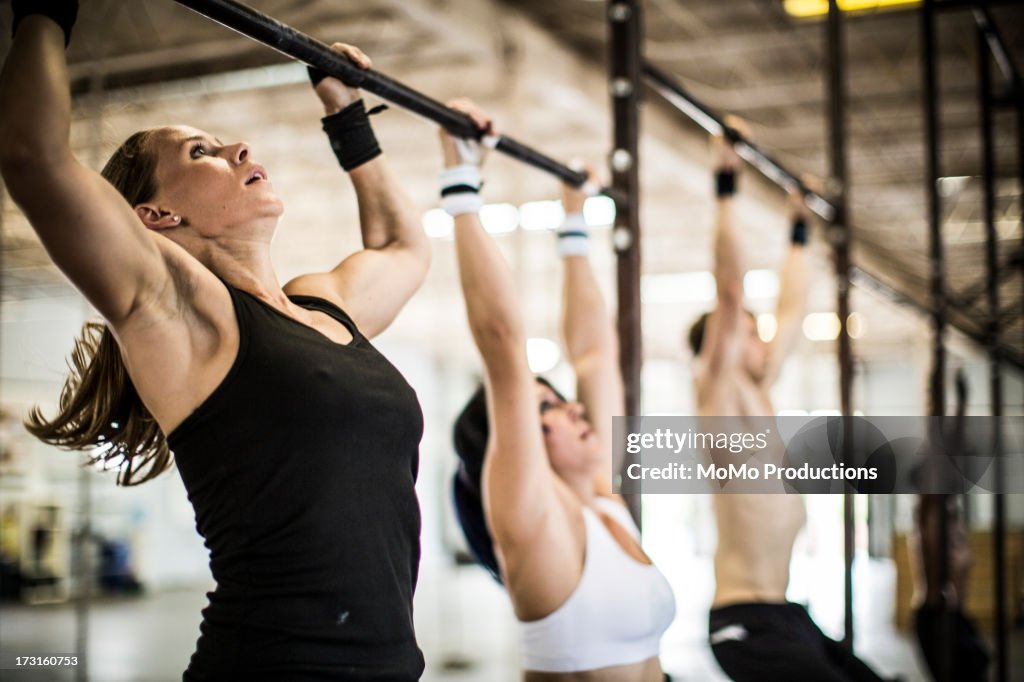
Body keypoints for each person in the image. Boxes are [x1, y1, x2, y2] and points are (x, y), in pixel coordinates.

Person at [1, 3, 429, 679]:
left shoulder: (325, 305)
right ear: (157, 216)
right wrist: (43, 16)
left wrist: (345, 116)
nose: (241, 149)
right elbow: (33, 158)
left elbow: (402, 247)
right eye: (201, 152)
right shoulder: (179, 311)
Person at [443, 100, 676, 681]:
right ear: (518, 438)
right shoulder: (530, 519)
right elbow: (502, 344)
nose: (575, 406)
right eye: (546, 405)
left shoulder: (602, 499)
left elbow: (596, 356)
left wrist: (574, 222)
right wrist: (462, 184)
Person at [688, 120, 888, 681]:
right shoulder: (718, 393)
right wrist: (726, 183)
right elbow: (730, 292)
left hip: (784, 610)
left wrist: (799, 230)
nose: (762, 339)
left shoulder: (761, 387)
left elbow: (792, 309)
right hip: (744, 620)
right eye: (749, 332)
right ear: (724, 345)